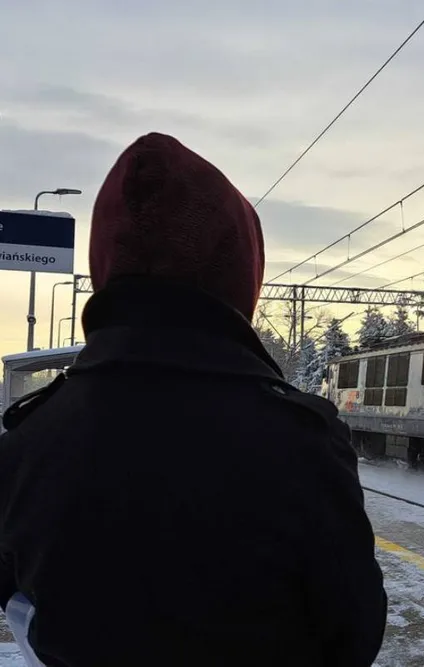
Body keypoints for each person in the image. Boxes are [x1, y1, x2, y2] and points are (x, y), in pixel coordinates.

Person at [0, 133, 387, 666]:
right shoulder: (301, 442)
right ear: (238, 275)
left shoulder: (26, 442)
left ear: (106, 268)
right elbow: (353, 635)